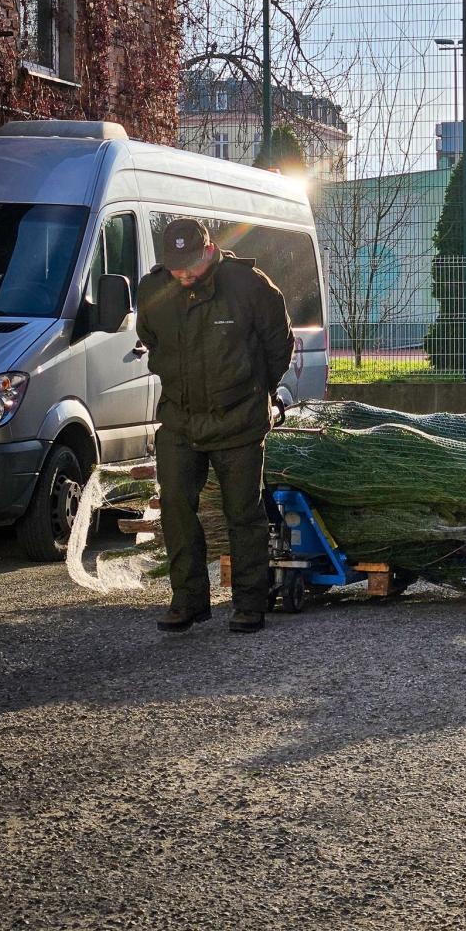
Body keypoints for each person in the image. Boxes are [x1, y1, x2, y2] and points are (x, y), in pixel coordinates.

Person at [137, 218, 294, 633]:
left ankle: (249, 604)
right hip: (180, 420)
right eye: (175, 266)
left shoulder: (249, 286)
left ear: (210, 250)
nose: (183, 274)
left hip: (239, 420)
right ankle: (187, 602)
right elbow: (151, 339)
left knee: (243, 513)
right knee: (174, 506)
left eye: (190, 264)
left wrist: (258, 391)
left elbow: (280, 344)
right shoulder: (153, 290)